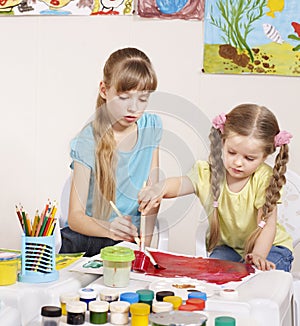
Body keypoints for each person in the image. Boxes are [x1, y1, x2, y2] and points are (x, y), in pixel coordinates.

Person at [138, 103, 294, 271]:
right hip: (230, 248)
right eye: (232, 152)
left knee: (258, 278)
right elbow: (178, 185)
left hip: (271, 248)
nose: (238, 162)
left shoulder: (264, 179)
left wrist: (258, 255)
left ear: (264, 156)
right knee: (213, 275)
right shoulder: (208, 172)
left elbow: (268, 226)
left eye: (249, 158)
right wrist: (158, 189)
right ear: (223, 142)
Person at [59, 47, 162, 257]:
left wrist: (144, 249)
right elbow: (76, 217)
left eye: (143, 99)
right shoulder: (88, 140)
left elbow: (152, 198)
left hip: (127, 243)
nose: (134, 108)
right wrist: (109, 229)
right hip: (87, 240)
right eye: (124, 97)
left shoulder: (152, 127)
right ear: (104, 91)